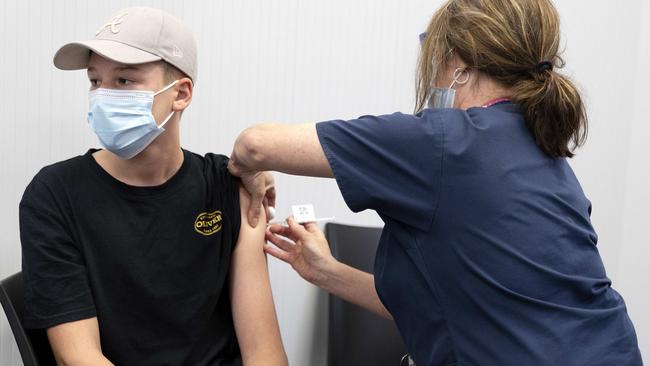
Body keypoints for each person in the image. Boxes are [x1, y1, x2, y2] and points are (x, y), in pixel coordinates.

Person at [229, 0, 643, 365]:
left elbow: (255, 144)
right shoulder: (547, 157)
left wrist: (253, 173)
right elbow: (454, 305)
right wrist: (329, 272)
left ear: (460, 62)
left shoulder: (441, 142)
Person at [19, 7, 287, 366]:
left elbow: (263, 352)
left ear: (181, 93)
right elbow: (78, 357)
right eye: (95, 81)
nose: (103, 96)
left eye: (124, 81)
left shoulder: (230, 188)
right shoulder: (54, 195)